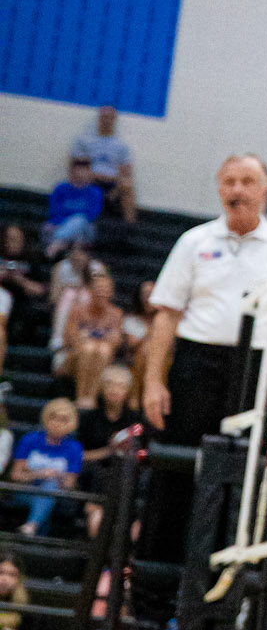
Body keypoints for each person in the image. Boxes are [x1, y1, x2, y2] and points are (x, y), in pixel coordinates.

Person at [142, 155, 267, 561]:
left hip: (255, 369)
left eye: (247, 181)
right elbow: (166, 315)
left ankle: (224, 574)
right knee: (178, 466)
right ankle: (157, 578)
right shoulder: (194, 241)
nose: (237, 190)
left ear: (266, 191)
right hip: (194, 364)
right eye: (229, 181)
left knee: (242, 473)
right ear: (219, 189)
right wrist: (152, 381)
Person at [77, 365, 142, 534]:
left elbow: (143, 454)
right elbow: (77, 455)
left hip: (126, 471)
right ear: (101, 388)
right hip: (93, 474)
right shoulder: (89, 418)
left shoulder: (136, 420)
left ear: (128, 391)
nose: (114, 390)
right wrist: (109, 450)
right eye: (110, 385)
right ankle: (93, 510)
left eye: (120, 386)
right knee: (99, 472)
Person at [54, 265, 126, 408]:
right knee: (89, 348)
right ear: (90, 290)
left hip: (102, 356)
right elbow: (69, 339)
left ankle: (91, 398)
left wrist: (90, 337)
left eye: (105, 289)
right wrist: (98, 338)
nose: (102, 293)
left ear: (111, 292)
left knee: (102, 349)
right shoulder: (77, 311)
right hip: (74, 357)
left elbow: (116, 341)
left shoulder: (116, 313)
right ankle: (81, 395)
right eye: (98, 289)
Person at [11, 398, 84, 536]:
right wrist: (39, 474)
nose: (57, 423)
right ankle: (32, 529)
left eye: (63, 420)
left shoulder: (74, 448)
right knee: (45, 498)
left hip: (57, 495)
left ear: (71, 423)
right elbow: (15, 475)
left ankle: (31, 527)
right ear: (46, 418)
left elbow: (69, 484)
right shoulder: (29, 439)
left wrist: (56, 475)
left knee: (50, 488)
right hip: (26, 491)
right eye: (53, 418)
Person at [74, 106, 137, 223]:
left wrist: (112, 180)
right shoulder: (85, 141)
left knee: (127, 185)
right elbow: (78, 166)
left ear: (114, 120)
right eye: (104, 117)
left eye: (110, 118)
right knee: (81, 174)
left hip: (112, 183)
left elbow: (126, 172)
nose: (106, 120)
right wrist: (94, 175)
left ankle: (130, 226)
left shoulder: (121, 146)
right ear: (99, 118)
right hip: (91, 180)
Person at [0, 224, 49, 349]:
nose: (12, 242)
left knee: (32, 312)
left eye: (16, 239)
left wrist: (19, 280)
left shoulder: (32, 260)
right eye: (9, 238)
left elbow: (40, 290)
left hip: (23, 303)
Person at [44, 155, 104, 256]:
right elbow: (54, 211)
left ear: (90, 173)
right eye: (78, 171)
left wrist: (72, 219)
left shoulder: (95, 192)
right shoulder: (60, 188)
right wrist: (68, 223)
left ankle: (58, 242)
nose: (80, 174)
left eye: (84, 171)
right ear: (71, 172)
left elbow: (91, 215)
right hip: (59, 225)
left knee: (79, 220)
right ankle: (66, 246)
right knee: (73, 233)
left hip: (85, 227)